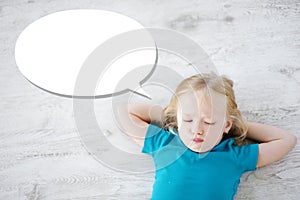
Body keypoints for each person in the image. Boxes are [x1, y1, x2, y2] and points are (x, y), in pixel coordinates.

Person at [118, 73, 297, 200]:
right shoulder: (164, 144)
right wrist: (171, 115)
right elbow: (125, 113)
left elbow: (287, 139)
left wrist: (236, 125)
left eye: (209, 122)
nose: (197, 130)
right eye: (188, 120)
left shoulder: (234, 156)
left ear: (226, 125)